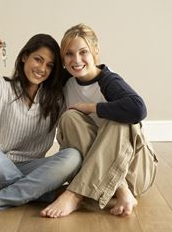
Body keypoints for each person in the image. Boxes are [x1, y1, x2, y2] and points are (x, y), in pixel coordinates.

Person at [0, 34, 82, 214]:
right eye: (38, 59)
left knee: (73, 156)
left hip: (33, 170)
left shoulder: (56, 99)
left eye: (49, 65)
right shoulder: (0, 88)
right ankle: (42, 194)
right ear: (24, 57)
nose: (42, 68)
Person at [40, 23, 158, 218]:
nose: (76, 60)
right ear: (62, 58)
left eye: (83, 52)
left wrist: (92, 108)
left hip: (134, 171)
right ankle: (121, 192)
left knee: (118, 120)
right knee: (69, 117)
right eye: (69, 54)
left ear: (95, 51)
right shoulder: (67, 82)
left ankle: (75, 194)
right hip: (102, 175)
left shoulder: (108, 80)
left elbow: (138, 109)